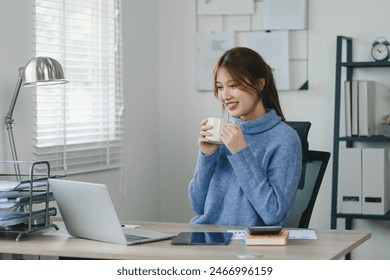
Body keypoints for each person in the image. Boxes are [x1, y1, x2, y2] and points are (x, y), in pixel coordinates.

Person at [188, 47, 302, 226]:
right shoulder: (223, 134)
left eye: (233, 86)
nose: (225, 96)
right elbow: (197, 205)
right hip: (208, 238)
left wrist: (240, 152)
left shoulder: (285, 140)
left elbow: (273, 214)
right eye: (220, 87)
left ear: (259, 84)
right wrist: (206, 156)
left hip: (249, 245)